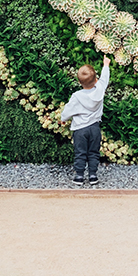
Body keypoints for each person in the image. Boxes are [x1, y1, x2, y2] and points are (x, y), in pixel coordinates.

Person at [61, 55, 110, 186]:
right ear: (96, 80)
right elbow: (104, 79)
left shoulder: (77, 96)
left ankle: (79, 176)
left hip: (80, 129)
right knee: (93, 152)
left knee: (80, 152)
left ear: (79, 82)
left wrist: (63, 119)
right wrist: (106, 64)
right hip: (94, 128)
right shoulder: (99, 90)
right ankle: (93, 176)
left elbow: (68, 110)